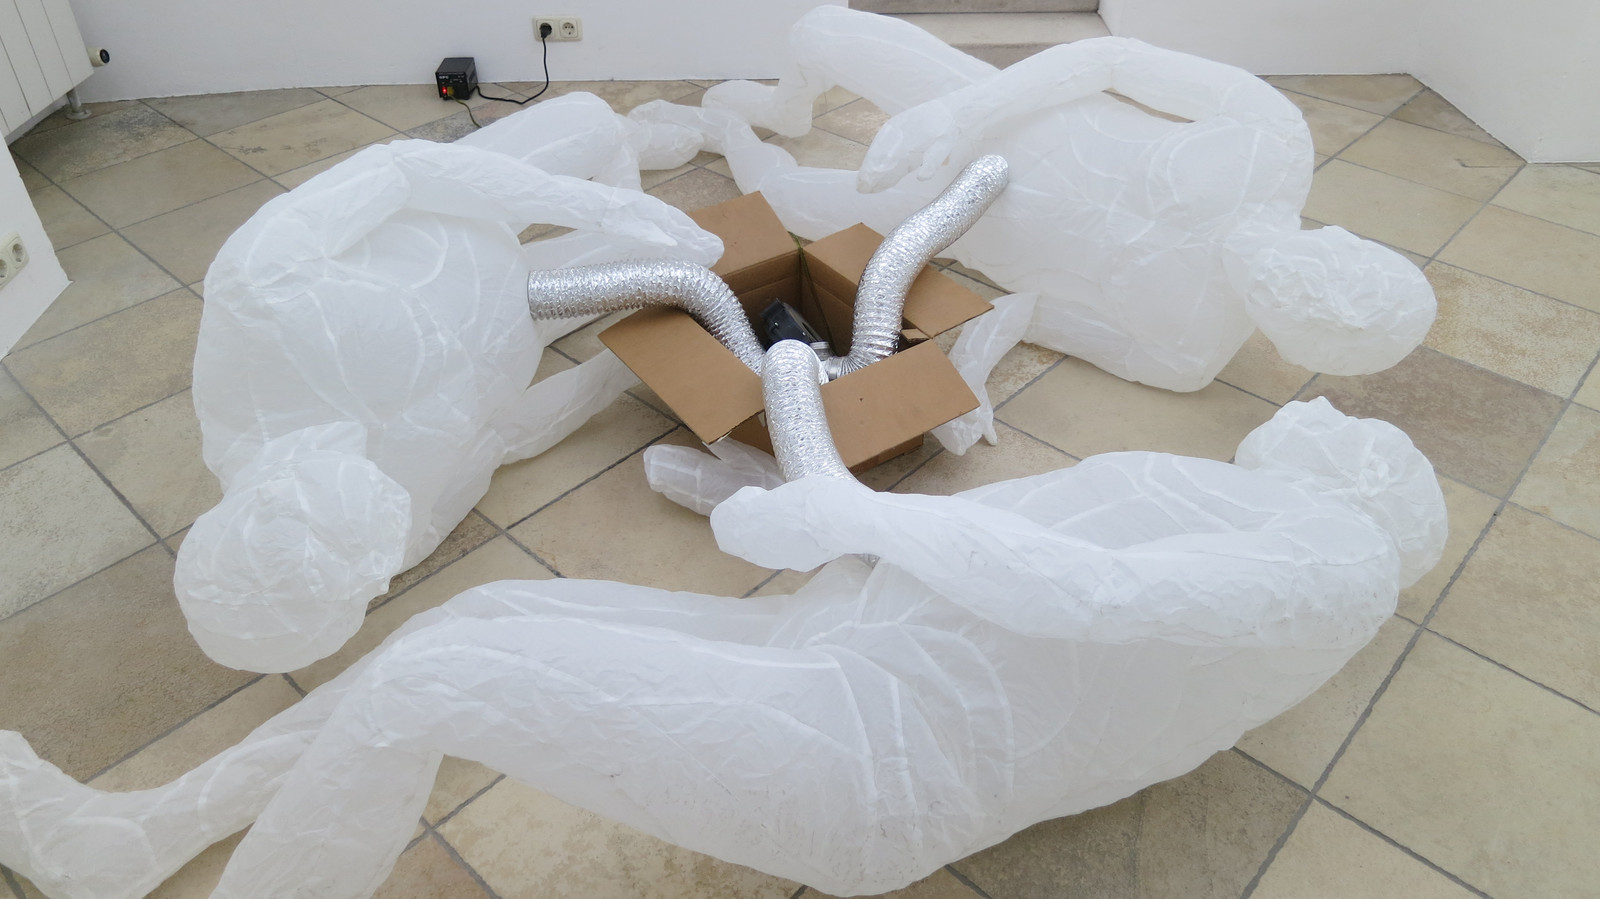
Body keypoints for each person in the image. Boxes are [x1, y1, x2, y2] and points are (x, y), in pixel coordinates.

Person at [1, 356, 1446, 898]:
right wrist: (803, 506)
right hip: (843, 660)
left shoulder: (1330, 560)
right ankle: (141, 836)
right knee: (489, 613)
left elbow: (1094, 595)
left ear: (1373, 494)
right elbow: (1049, 589)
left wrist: (857, 518)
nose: (1326, 405)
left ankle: (136, 860)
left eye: (1356, 433)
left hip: (872, 749)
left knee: (438, 672)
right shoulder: (1278, 531)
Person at [174, 93, 721, 673]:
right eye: (367, 579)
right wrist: (624, 367)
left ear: (265, 503)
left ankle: (636, 140)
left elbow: (399, 171)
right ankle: (627, 171)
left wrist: (598, 204)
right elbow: (502, 440)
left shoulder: (256, 296)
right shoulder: (389, 546)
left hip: (459, 214)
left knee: (590, 124)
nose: (387, 511)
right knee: (678, 250)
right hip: (522, 313)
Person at [630, 6, 1435, 393]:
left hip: (942, 221)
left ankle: (728, 130)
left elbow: (1025, 314)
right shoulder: (1273, 139)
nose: (1287, 289)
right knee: (817, 33)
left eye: (1304, 317)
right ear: (1347, 243)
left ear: (1294, 346)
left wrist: (959, 356)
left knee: (777, 194)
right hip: (987, 110)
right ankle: (784, 109)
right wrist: (958, 114)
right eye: (1324, 279)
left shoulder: (1186, 354)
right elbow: (1112, 60)